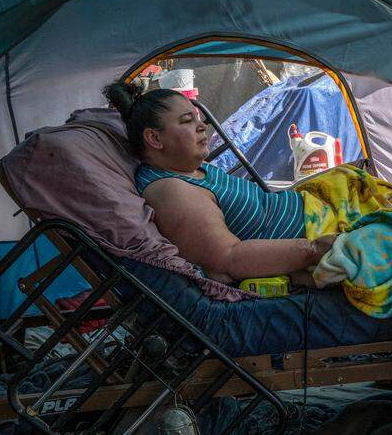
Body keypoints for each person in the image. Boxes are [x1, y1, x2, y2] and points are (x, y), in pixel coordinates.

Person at [103, 81, 335, 284]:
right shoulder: (171, 190)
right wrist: (314, 249)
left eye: (198, 118)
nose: (203, 125)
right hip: (319, 232)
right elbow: (227, 259)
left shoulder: (192, 171)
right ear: (154, 138)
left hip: (318, 213)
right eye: (187, 121)